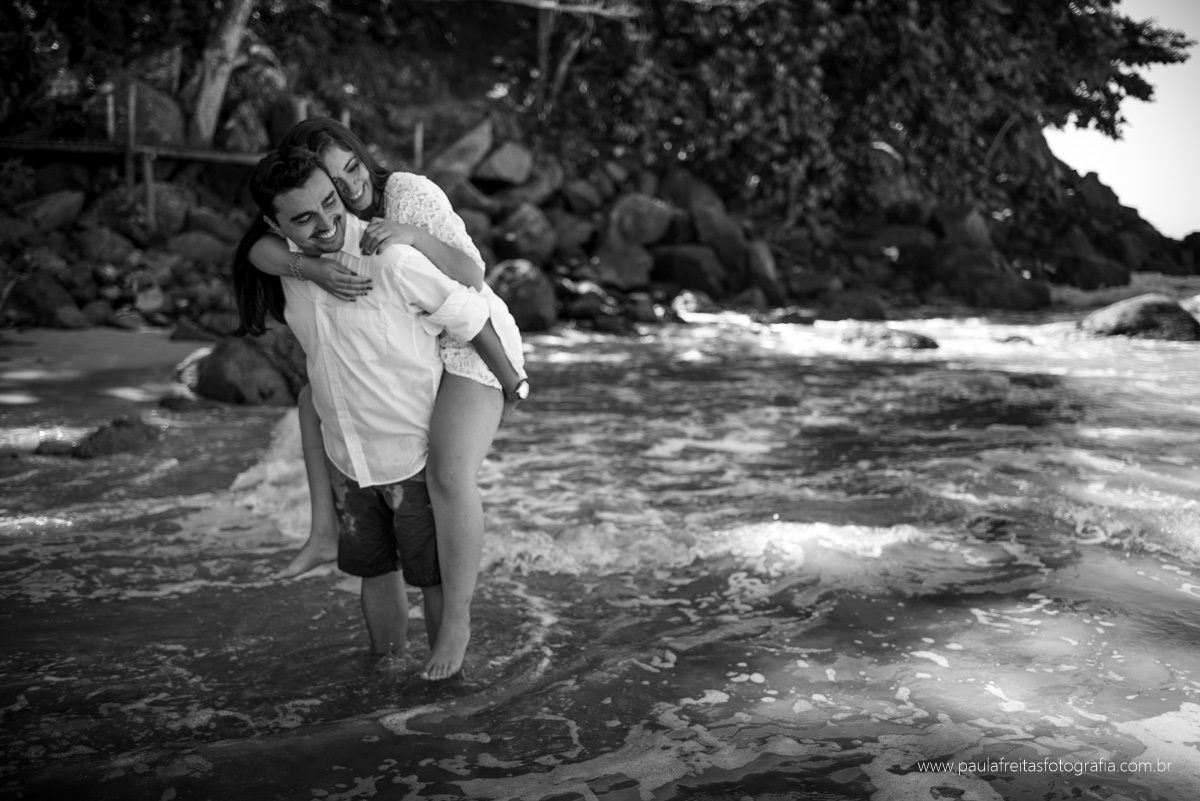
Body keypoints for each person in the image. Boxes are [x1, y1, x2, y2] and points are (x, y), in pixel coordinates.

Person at [244, 118, 527, 681]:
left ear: (359, 155)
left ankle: (457, 624)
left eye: (349, 171)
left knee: (446, 474)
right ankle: (327, 538)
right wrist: (311, 266)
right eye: (330, 181)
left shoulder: (406, 200)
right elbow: (257, 252)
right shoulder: (301, 252)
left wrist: (512, 382)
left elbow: (471, 283)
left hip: (470, 339)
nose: (347, 192)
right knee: (311, 402)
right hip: (391, 376)